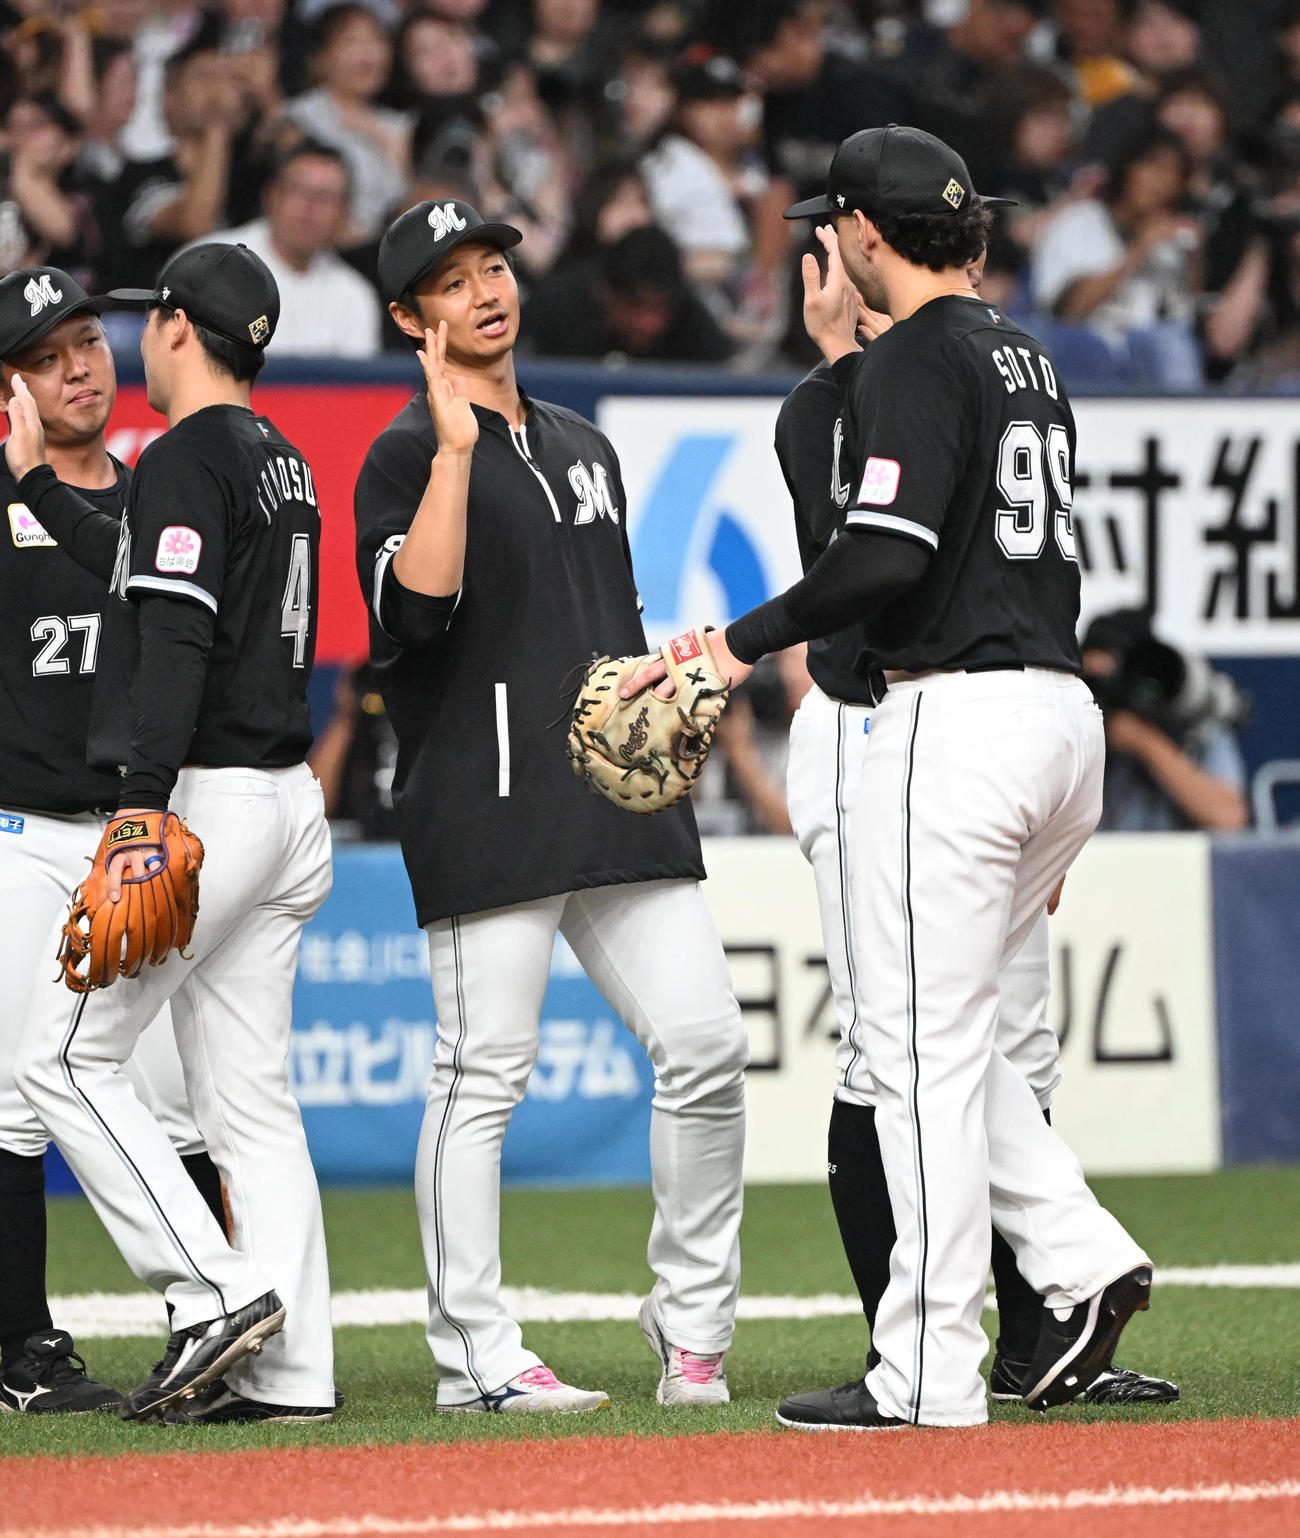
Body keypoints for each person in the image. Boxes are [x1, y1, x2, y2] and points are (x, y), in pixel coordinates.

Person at [626, 125, 1153, 1430]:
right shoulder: (1022, 351)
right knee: (953, 1033)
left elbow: (881, 562)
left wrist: (725, 646)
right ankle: (1080, 1253)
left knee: (911, 1051)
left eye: (836, 225)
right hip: (1052, 708)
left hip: (953, 718)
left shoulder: (916, 353)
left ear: (863, 233)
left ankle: (926, 1370)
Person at [353, 197, 748, 1414]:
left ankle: (690, 1329)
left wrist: (665, 704)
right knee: (483, 1074)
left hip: (614, 800)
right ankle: (473, 1351)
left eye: (494, 266)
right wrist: (457, 452)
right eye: (452, 278)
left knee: (708, 1046)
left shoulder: (585, 443)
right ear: (409, 317)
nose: (487, 290)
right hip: (487, 798)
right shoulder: (400, 452)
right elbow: (408, 620)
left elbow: (608, 624)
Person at [776, 260, 1177, 1408]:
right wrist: (842, 367)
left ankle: (1019, 1322)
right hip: (870, 728)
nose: (838, 276)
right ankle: (949, 1329)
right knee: (899, 1045)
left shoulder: (963, 369)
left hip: (953, 738)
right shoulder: (833, 403)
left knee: (980, 1040)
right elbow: (847, 573)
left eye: (845, 249)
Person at [13, 242, 335, 1425]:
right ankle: (292, 1373)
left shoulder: (188, 455)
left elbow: (178, 639)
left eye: (154, 319)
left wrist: (143, 803)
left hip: (211, 799)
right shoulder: (279, 456)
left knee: (62, 1056)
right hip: (288, 803)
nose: (141, 338)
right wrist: (43, 488)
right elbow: (149, 581)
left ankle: (210, 1294)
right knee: (248, 1097)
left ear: (185, 330)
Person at [0, 266, 226, 1415]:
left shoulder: (151, 495)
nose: (82, 366)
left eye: (89, 341)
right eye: (49, 356)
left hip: (131, 837)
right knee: (12, 1100)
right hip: (20, 829)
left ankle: (220, 1327)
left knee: (174, 1095)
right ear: (12, 391)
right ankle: (22, 1348)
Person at [202, 141, 382, 357]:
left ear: (344, 212)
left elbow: (356, 387)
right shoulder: (212, 263)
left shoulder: (354, 296)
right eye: (299, 190)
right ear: (271, 195)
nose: (309, 207)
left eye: (325, 197)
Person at [1082, 608, 1249, 832]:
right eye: (1093, 681)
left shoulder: (1194, 725)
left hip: (1180, 864)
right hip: (1094, 862)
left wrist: (1144, 741)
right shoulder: (1071, 728)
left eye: (1113, 677)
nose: (1106, 691)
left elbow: (1228, 818)